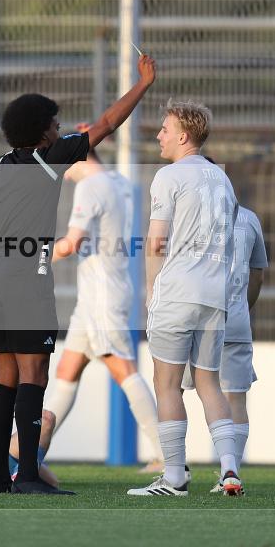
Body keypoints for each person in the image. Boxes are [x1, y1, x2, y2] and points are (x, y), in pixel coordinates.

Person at [0, 54, 157, 494]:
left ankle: (0, 477)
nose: (60, 128)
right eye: (54, 123)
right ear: (41, 132)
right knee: (35, 376)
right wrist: (142, 84)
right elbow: (107, 123)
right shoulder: (49, 158)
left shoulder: (0, 166)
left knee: (6, 376)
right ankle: (28, 476)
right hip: (30, 278)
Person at [128, 100, 241, 497]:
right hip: (215, 295)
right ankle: (229, 470)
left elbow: (156, 241)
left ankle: (174, 476)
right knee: (210, 383)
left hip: (177, 292)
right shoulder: (221, 179)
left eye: (164, 129)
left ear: (183, 135)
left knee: (167, 385)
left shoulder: (169, 176)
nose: (159, 135)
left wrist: (150, 290)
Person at [47, 150, 164, 472]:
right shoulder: (118, 182)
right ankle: (28, 453)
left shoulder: (91, 186)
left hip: (102, 297)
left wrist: (34, 260)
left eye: (62, 164)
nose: (63, 173)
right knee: (66, 374)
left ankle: (167, 456)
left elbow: (71, 243)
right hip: (98, 295)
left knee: (124, 372)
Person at [186, 204, 267, 492]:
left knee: (173, 389)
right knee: (236, 399)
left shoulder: (190, 213)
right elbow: (257, 275)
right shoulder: (249, 217)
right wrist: (244, 307)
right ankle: (230, 471)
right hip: (236, 318)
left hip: (196, 317)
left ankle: (173, 467)